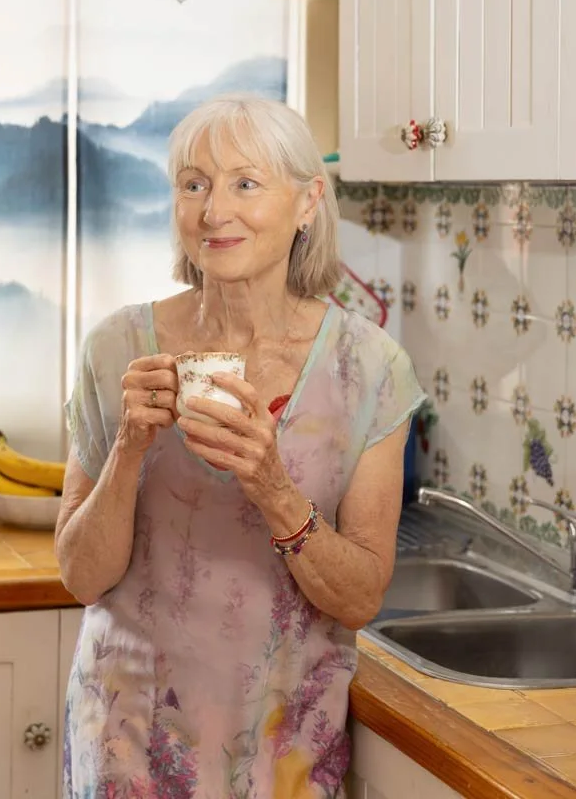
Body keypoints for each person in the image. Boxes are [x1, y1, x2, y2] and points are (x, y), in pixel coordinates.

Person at [55, 92, 426, 798]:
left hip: (282, 752)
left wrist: (272, 486)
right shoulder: (115, 352)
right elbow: (80, 576)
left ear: (307, 202)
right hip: (126, 744)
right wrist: (131, 447)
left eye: (245, 184)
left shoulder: (370, 371)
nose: (213, 210)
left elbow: (359, 598)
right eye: (193, 184)